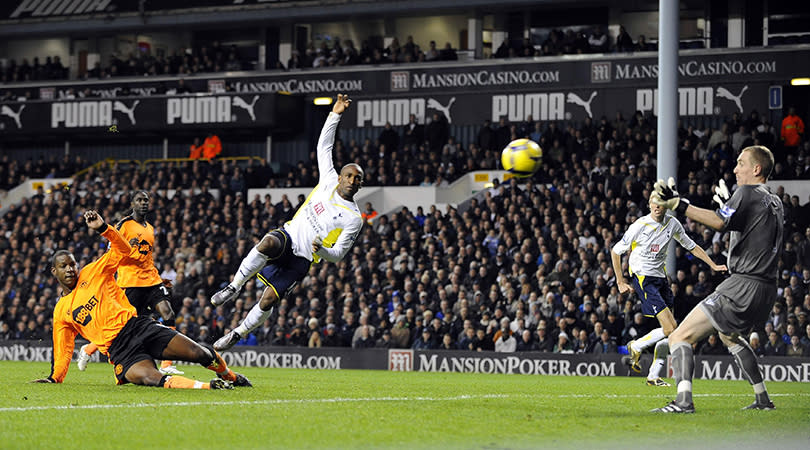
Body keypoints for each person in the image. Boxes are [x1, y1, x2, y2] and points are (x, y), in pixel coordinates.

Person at [211, 94, 364, 351]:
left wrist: (322, 251)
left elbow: (338, 256)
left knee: (269, 300)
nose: (351, 180)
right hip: (290, 235)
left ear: (360, 184)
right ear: (340, 177)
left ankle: (238, 333)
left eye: (357, 179)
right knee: (268, 242)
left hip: (303, 258)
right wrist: (335, 114)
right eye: (348, 175)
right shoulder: (328, 179)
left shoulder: (354, 218)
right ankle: (234, 286)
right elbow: (324, 146)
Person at [34, 210, 250, 390]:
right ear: (54, 271)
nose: (70, 269)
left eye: (72, 264)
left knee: (199, 353)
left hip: (138, 327)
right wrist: (55, 378)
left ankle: (230, 376)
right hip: (120, 350)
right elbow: (63, 347)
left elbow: (125, 250)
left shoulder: (93, 271)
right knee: (150, 378)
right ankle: (209, 386)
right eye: (64, 266)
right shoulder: (61, 311)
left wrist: (104, 229)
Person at [650, 145, 783, 413]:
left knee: (679, 337)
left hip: (743, 285)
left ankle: (683, 402)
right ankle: (762, 399)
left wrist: (679, 205)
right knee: (730, 336)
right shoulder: (775, 200)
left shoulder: (746, 192)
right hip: (767, 288)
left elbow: (721, 223)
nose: (735, 169)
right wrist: (728, 207)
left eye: (741, 163)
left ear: (756, 169)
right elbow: (742, 227)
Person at [611, 195, 726, 387]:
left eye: (661, 203)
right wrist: (620, 281)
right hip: (643, 278)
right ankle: (636, 346)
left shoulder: (672, 224)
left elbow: (692, 246)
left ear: (666, 206)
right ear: (649, 205)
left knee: (673, 332)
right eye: (654, 203)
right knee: (671, 328)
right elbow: (616, 251)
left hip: (661, 279)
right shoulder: (640, 225)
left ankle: (653, 375)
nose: (657, 206)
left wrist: (712, 264)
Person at [77, 191, 183, 375]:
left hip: (151, 280)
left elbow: (146, 257)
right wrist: (127, 246)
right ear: (132, 203)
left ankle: (167, 365)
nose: (143, 203)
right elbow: (113, 251)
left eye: (146, 200)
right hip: (130, 282)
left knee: (168, 313)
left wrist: (160, 279)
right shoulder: (124, 225)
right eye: (140, 200)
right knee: (123, 326)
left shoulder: (150, 228)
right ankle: (88, 349)